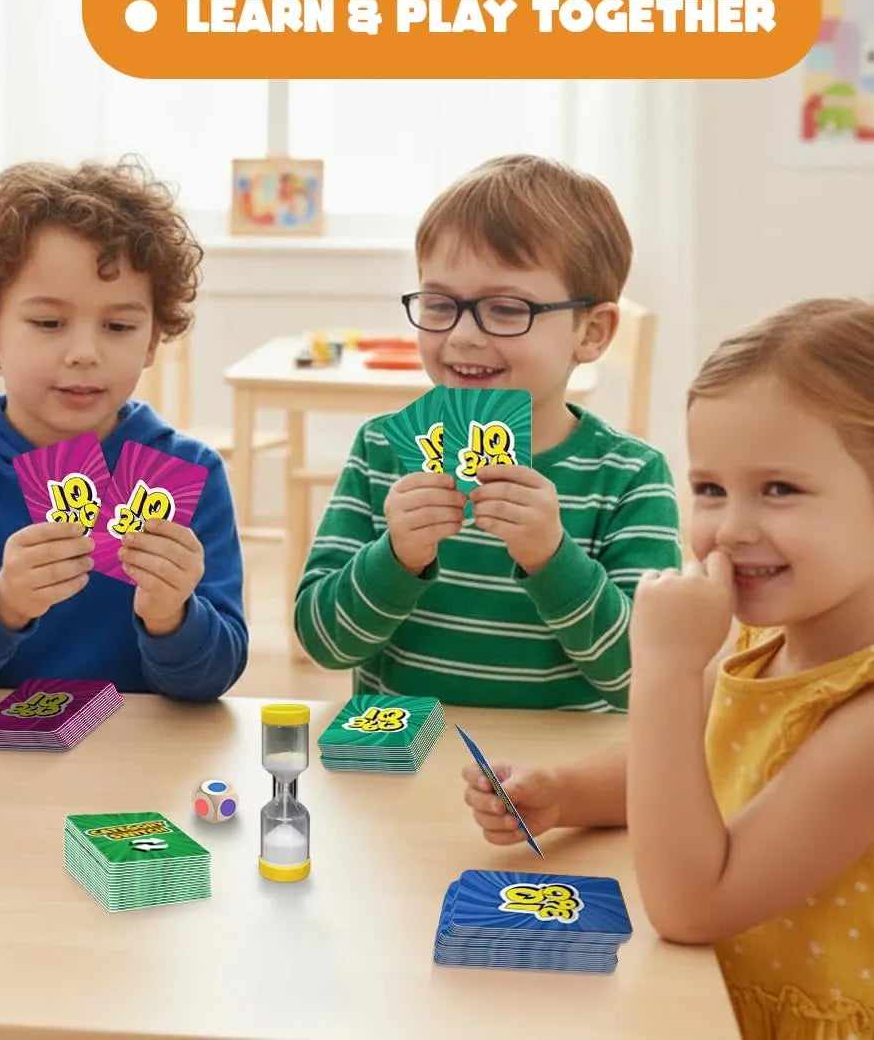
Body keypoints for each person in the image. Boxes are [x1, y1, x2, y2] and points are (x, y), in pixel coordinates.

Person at [464, 298, 874, 1038]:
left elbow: (692, 907)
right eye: (711, 488)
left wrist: (664, 669)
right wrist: (565, 791)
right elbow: (690, 760)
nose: (732, 527)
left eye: (780, 489)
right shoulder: (770, 649)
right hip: (710, 1003)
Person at [296, 155, 679, 709]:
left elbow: (638, 679)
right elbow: (323, 643)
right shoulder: (383, 450)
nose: (463, 336)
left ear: (592, 332)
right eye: (440, 304)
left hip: (557, 782)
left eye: (505, 309)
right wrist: (396, 557)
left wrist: (552, 558)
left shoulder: (630, 477)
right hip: (406, 758)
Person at [0, 159, 247, 701]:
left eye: (119, 326)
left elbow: (213, 678)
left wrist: (172, 616)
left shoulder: (189, 472)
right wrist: (1, 602)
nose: (83, 353)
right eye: (48, 323)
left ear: (151, 342)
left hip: (139, 760)